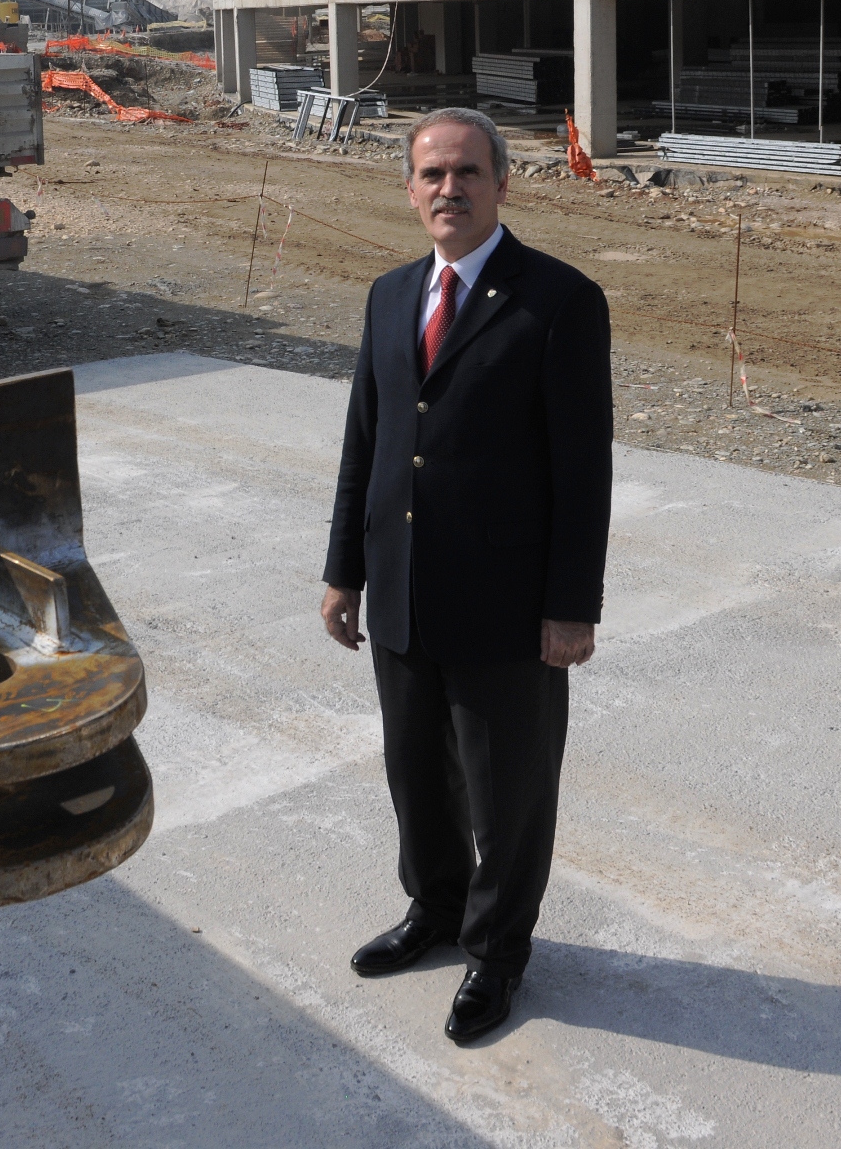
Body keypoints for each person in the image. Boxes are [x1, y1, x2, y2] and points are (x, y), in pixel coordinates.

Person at [320, 106, 611, 1045]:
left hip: (506, 605)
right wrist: (344, 573)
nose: (450, 189)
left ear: (502, 183)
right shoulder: (389, 295)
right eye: (432, 175)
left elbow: (583, 472)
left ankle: (497, 952)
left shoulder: (558, 300)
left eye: (467, 173)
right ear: (410, 190)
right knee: (415, 775)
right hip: (402, 591)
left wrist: (571, 607)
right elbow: (366, 444)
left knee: (507, 796)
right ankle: (435, 909)